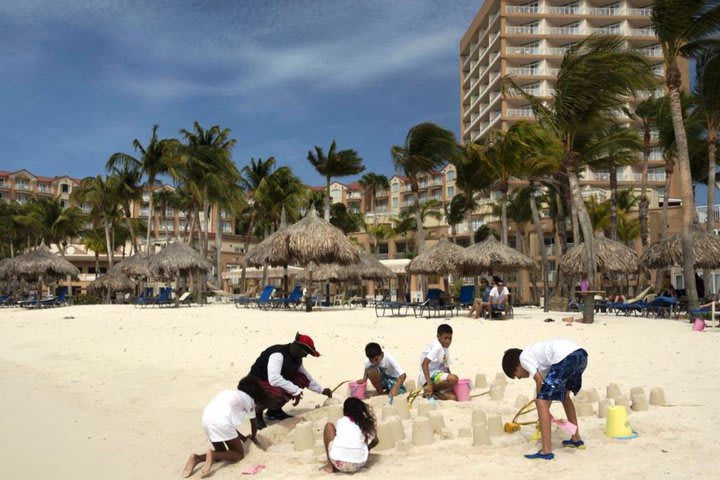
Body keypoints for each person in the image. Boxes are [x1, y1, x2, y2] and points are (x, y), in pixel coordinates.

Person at [502, 339, 588, 460]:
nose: (519, 378)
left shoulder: (523, 357)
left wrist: (540, 404)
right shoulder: (541, 363)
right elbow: (550, 388)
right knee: (564, 397)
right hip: (581, 356)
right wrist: (545, 412)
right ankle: (576, 438)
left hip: (566, 358)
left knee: (540, 400)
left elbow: (538, 381)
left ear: (517, 365)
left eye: (516, 375)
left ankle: (546, 451)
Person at [182, 376, 267, 478]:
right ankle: (212, 454)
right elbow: (254, 424)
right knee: (238, 454)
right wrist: (252, 438)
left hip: (206, 419)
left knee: (222, 454)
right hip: (221, 422)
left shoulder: (228, 393)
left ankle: (197, 458)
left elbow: (229, 426)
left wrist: (243, 438)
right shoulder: (249, 400)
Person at [248, 333, 332, 429]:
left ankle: (274, 411)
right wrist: (295, 390)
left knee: (301, 379)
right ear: (296, 347)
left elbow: (306, 376)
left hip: (269, 384)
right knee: (279, 391)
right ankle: (257, 413)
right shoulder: (278, 354)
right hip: (255, 384)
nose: (304, 357)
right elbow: (274, 379)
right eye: (304, 353)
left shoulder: (297, 359)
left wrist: (321, 390)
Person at [321, 397, 379, 473]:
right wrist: (367, 448)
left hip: (338, 463)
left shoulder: (341, 421)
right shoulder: (364, 423)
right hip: (358, 464)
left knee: (329, 426)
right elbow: (376, 441)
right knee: (363, 436)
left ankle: (330, 466)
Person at [418, 324, 458, 400]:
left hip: (437, 375)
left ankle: (433, 393)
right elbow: (424, 364)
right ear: (438, 337)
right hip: (428, 376)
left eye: (450, 338)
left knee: (453, 397)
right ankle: (429, 389)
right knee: (454, 378)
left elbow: (446, 366)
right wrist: (429, 385)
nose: (448, 341)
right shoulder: (437, 347)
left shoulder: (445, 347)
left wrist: (453, 385)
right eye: (445, 338)